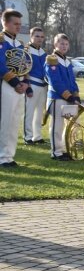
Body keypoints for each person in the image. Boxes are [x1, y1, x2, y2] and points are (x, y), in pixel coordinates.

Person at [45, 34, 79, 161]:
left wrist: (76, 95)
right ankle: (56, 152)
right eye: (61, 44)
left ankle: (65, 149)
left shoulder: (67, 61)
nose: (64, 46)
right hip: (57, 97)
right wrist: (69, 96)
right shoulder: (52, 59)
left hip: (69, 98)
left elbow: (72, 80)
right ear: (55, 45)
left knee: (69, 126)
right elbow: (55, 82)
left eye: (66, 44)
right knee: (57, 126)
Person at [0, 9, 27, 168]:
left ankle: (9, 156)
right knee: (6, 121)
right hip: (7, 85)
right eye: (15, 24)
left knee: (14, 122)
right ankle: (3, 157)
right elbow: (1, 65)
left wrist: (25, 83)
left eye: (19, 24)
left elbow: (25, 65)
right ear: (5, 23)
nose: (18, 27)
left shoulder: (19, 43)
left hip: (20, 85)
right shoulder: (2, 41)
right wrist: (16, 83)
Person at [23, 27, 48, 146]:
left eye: (42, 36)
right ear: (31, 36)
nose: (40, 39)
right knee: (29, 112)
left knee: (39, 113)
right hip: (32, 83)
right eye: (37, 36)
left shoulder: (43, 52)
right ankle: (28, 136)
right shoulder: (26, 50)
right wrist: (27, 86)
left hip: (43, 85)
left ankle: (37, 136)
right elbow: (24, 69)